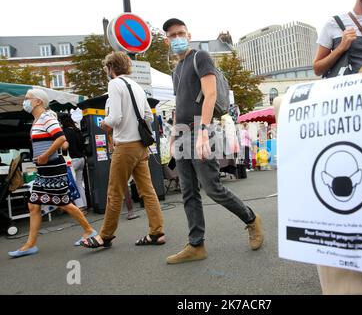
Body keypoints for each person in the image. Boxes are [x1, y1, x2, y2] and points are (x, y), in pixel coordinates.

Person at [163, 18, 264, 264]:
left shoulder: (200, 57)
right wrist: (175, 134)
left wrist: (202, 132)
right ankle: (196, 245)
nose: (177, 38)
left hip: (200, 130)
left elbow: (210, 95)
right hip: (183, 133)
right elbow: (180, 105)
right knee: (188, 192)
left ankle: (251, 219)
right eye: (172, 35)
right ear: (167, 40)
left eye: (181, 33)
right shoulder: (176, 69)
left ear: (189, 35)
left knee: (212, 188)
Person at [81, 52, 165, 249]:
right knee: (148, 191)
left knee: (114, 191)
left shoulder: (115, 84)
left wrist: (104, 124)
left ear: (111, 68)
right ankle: (156, 232)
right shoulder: (137, 86)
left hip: (125, 146)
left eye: (106, 69)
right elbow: (148, 117)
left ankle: (105, 236)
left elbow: (115, 117)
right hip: (141, 146)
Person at [8, 89, 96, 258]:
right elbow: (61, 143)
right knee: (34, 205)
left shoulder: (46, 117)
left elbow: (62, 139)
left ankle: (89, 230)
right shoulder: (38, 120)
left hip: (53, 167)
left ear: (38, 101)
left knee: (63, 203)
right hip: (44, 170)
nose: (24, 101)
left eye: (27, 99)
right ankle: (30, 244)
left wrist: (45, 155)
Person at [59, 113, 88, 214]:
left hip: (72, 160)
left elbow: (64, 147)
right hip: (82, 159)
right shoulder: (77, 130)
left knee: (72, 184)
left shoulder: (65, 132)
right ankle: (84, 205)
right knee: (79, 183)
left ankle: (79, 207)